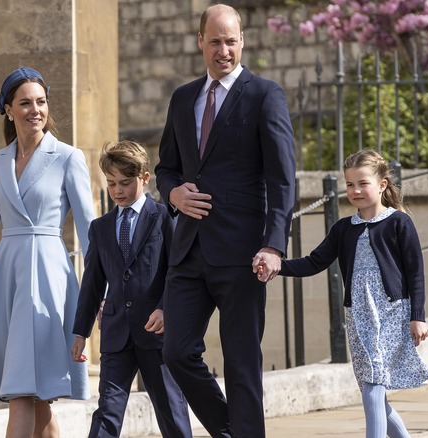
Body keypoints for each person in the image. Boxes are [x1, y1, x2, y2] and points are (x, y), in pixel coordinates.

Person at [154, 4, 297, 436]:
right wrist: (173, 193)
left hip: (243, 254)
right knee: (175, 352)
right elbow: (165, 169)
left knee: (241, 366)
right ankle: (231, 430)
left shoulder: (264, 95)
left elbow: (283, 178)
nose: (223, 50)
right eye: (214, 41)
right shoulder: (183, 98)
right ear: (200, 42)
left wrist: (273, 244)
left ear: (242, 41)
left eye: (230, 41)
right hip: (188, 252)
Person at [0, 67, 96, 438]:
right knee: (36, 401)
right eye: (25, 103)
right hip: (6, 281)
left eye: (41, 102)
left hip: (49, 280)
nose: (35, 110)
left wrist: (100, 292)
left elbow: (91, 231)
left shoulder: (69, 157)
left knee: (25, 394)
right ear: (8, 109)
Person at [264, 150, 428, 438]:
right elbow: (314, 262)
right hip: (359, 317)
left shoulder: (399, 223)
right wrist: (278, 267)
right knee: (373, 390)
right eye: (350, 185)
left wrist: (418, 317)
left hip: (392, 313)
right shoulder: (343, 228)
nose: (355, 190)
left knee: (373, 386)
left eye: (362, 183)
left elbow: (415, 273)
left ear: (381, 185)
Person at [71, 140, 192, 438]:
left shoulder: (165, 218)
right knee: (108, 410)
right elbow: (93, 283)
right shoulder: (100, 227)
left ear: (145, 178)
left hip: (157, 333)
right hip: (115, 333)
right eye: (111, 183)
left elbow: (179, 271)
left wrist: (165, 307)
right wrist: (80, 332)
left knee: (171, 410)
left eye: (125, 183)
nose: (117, 190)